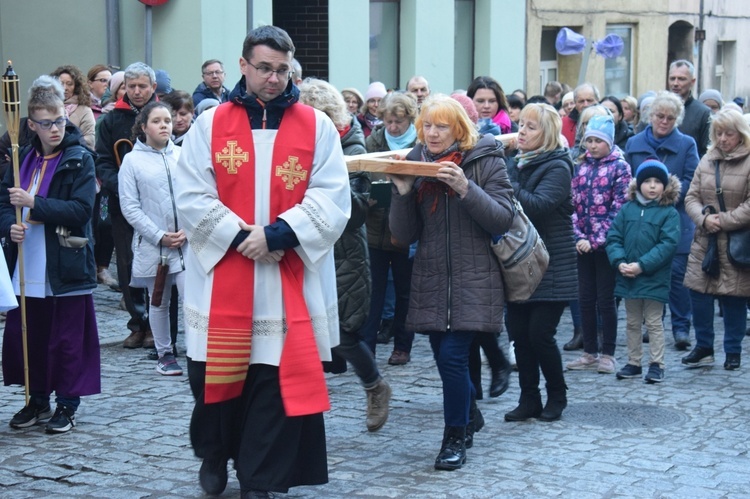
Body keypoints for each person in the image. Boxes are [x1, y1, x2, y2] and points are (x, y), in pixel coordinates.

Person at [174, 25, 350, 497]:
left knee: (275, 382)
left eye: (282, 70)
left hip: (284, 272)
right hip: (222, 275)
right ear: (244, 66)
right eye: (265, 69)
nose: (274, 79)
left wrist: (277, 234)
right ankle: (214, 453)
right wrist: (241, 237)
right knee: (215, 374)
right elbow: (190, 193)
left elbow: (333, 196)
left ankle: (260, 478)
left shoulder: (316, 126)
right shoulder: (212, 124)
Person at [389, 94, 514, 470]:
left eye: (441, 126)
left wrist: (465, 188)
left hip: (476, 276)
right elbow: (403, 234)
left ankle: (454, 437)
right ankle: (468, 415)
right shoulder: (416, 160)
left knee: (453, 357)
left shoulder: (485, 159)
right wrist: (402, 193)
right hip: (431, 276)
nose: (432, 133)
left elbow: (502, 219)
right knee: (447, 362)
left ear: (459, 129)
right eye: (427, 125)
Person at [1, 75, 99, 433]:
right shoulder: (20, 157)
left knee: (67, 339)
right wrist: (7, 227)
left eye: (60, 120)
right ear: (32, 125)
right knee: (30, 334)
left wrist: (35, 204)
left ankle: (67, 404)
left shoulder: (79, 160)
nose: (56, 128)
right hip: (27, 261)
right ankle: (36, 398)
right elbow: (2, 202)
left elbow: (80, 211)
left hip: (65, 261)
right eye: (47, 123)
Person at [298, 77, 392, 431]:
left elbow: (355, 213)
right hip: (304, 247)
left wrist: (323, 173)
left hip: (343, 252)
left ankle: (375, 386)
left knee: (342, 333)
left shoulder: (353, 151)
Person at [503, 103, 577, 423]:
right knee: (518, 332)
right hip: (520, 263)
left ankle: (557, 396)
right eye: (521, 124)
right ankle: (528, 398)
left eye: (531, 127)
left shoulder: (558, 166)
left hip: (552, 264)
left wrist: (506, 179)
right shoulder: (516, 162)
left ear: (546, 134)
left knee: (539, 334)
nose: (521, 131)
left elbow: (537, 206)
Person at [625, 91, 700, 351]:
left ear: (677, 119)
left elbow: (693, 178)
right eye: (659, 116)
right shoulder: (634, 143)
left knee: (678, 273)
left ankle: (681, 327)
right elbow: (628, 179)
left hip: (675, 215)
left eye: (670, 117)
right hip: (642, 218)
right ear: (650, 115)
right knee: (649, 270)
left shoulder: (687, 144)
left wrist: (668, 195)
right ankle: (652, 322)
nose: (664, 121)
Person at [118, 101, 186, 375]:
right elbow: (129, 207)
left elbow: (196, 197)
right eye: (157, 121)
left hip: (186, 243)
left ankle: (196, 353)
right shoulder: (132, 161)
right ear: (144, 126)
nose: (164, 126)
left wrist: (188, 231)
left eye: (167, 120)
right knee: (158, 300)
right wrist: (159, 236)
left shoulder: (182, 156)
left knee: (192, 298)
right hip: (154, 246)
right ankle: (164, 353)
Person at [96, 62, 159, 350]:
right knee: (126, 262)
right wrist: (121, 186)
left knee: (158, 263)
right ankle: (137, 322)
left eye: (142, 86)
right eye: (131, 86)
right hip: (122, 202)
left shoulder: (161, 115)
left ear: (152, 88)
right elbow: (103, 161)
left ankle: (157, 325)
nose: (136, 91)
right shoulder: (110, 121)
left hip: (157, 202)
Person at [682, 108, 750, 371]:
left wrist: (723, 220)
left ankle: (732, 350)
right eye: (718, 133)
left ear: (740, 135)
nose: (722, 139)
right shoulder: (707, 160)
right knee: (699, 294)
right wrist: (703, 218)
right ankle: (703, 347)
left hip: (736, 242)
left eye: (728, 134)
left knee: (734, 298)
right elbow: (691, 197)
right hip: (706, 241)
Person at [566, 114, 631, 374]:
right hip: (582, 243)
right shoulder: (580, 166)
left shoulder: (620, 167)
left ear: (609, 142)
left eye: (598, 141)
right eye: (589, 140)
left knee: (606, 300)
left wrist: (595, 241)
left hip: (606, 246)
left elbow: (619, 210)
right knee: (585, 298)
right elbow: (572, 205)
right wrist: (579, 237)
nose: (592, 146)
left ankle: (608, 352)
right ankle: (589, 351)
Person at [607, 160, 681, 383]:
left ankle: (657, 364)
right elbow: (614, 238)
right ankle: (634, 361)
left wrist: (642, 265)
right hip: (628, 276)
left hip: (653, 277)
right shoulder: (627, 209)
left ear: (665, 186)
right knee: (631, 322)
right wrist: (619, 262)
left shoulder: (668, 213)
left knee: (653, 322)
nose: (651, 186)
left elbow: (667, 245)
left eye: (657, 181)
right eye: (647, 181)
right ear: (638, 184)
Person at [363, 92, 419, 365]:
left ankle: (402, 345)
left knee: (405, 291)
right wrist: (368, 197)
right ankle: (367, 347)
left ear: (409, 119)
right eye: (388, 121)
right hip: (375, 227)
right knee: (374, 291)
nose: (393, 127)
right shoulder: (373, 142)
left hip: (406, 230)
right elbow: (361, 177)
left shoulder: (421, 144)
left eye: (398, 121)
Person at [668, 59, 711, 157]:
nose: (675, 83)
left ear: (692, 82)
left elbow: (706, 152)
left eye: (681, 79)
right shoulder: (657, 110)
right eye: (672, 78)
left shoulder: (703, 113)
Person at [50, 65, 96, 149]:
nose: (65, 88)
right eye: (61, 83)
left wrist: (65, 143)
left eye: (69, 84)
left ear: (76, 87)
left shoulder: (84, 111)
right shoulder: (47, 108)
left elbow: (90, 140)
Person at [562, 83, 599, 147]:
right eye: (581, 101)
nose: (585, 105)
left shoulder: (608, 121)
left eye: (589, 100)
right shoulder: (563, 123)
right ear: (575, 103)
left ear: (597, 101)